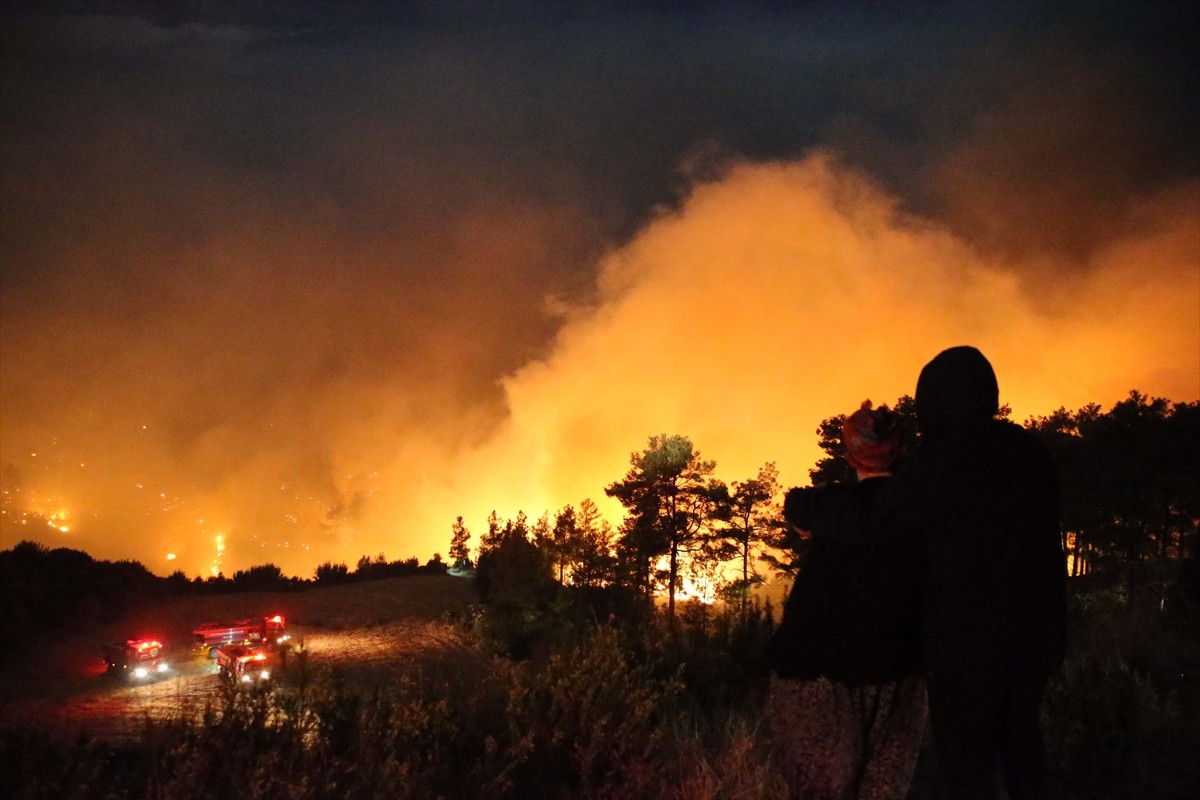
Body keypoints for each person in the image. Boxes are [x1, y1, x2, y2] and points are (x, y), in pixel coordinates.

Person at [877, 346, 1067, 800]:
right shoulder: (1030, 455)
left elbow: (890, 534)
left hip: (960, 646)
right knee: (1023, 750)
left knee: (965, 768)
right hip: (1032, 638)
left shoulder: (932, 463)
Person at [769, 400, 928, 800]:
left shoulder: (829, 507)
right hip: (896, 669)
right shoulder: (924, 511)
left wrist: (816, 511)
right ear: (902, 450)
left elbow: (798, 505)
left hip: (815, 669)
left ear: (848, 453)